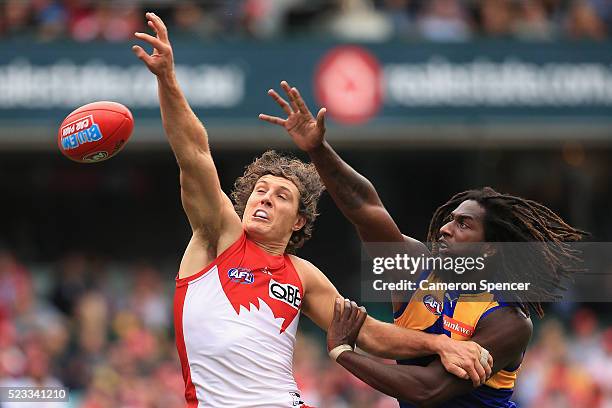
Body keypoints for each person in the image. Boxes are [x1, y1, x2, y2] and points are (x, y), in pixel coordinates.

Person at [132, 13, 492, 407]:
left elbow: (368, 333)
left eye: (281, 196)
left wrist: (439, 344)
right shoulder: (218, 236)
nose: (265, 198)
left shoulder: (302, 275)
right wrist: (167, 79)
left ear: (299, 220)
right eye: (260, 190)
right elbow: (194, 153)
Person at [260, 81, 586, 407]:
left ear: (488, 248)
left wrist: (345, 354)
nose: (444, 228)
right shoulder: (414, 267)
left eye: (463, 224)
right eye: (449, 219)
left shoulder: (508, 319)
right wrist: (318, 149)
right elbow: (366, 208)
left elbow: (428, 389)